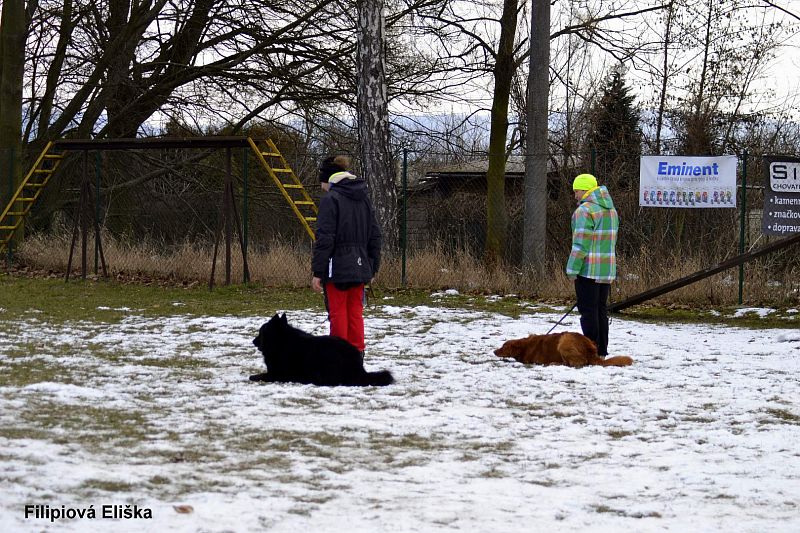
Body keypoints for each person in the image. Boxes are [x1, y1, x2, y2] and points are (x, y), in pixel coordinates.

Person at [311, 155, 382, 358]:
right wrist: (373, 266)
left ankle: (337, 356)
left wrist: (318, 271)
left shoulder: (331, 200)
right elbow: (375, 235)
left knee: (338, 311)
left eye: (322, 182)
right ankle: (357, 354)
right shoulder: (364, 198)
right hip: (361, 265)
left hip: (337, 265)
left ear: (329, 179)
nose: (322, 187)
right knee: (355, 311)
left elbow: (325, 239)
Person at [565, 173, 619, 357]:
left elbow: (580, 244)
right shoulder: (611, 210)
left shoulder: (584, 211)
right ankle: (601, 351)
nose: (575, 195)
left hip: (588, 269)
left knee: (588, 312)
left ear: (586, 190)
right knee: (600, 310)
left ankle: (590, 352)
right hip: (606, 269)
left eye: (577, 191)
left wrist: (572, 269)